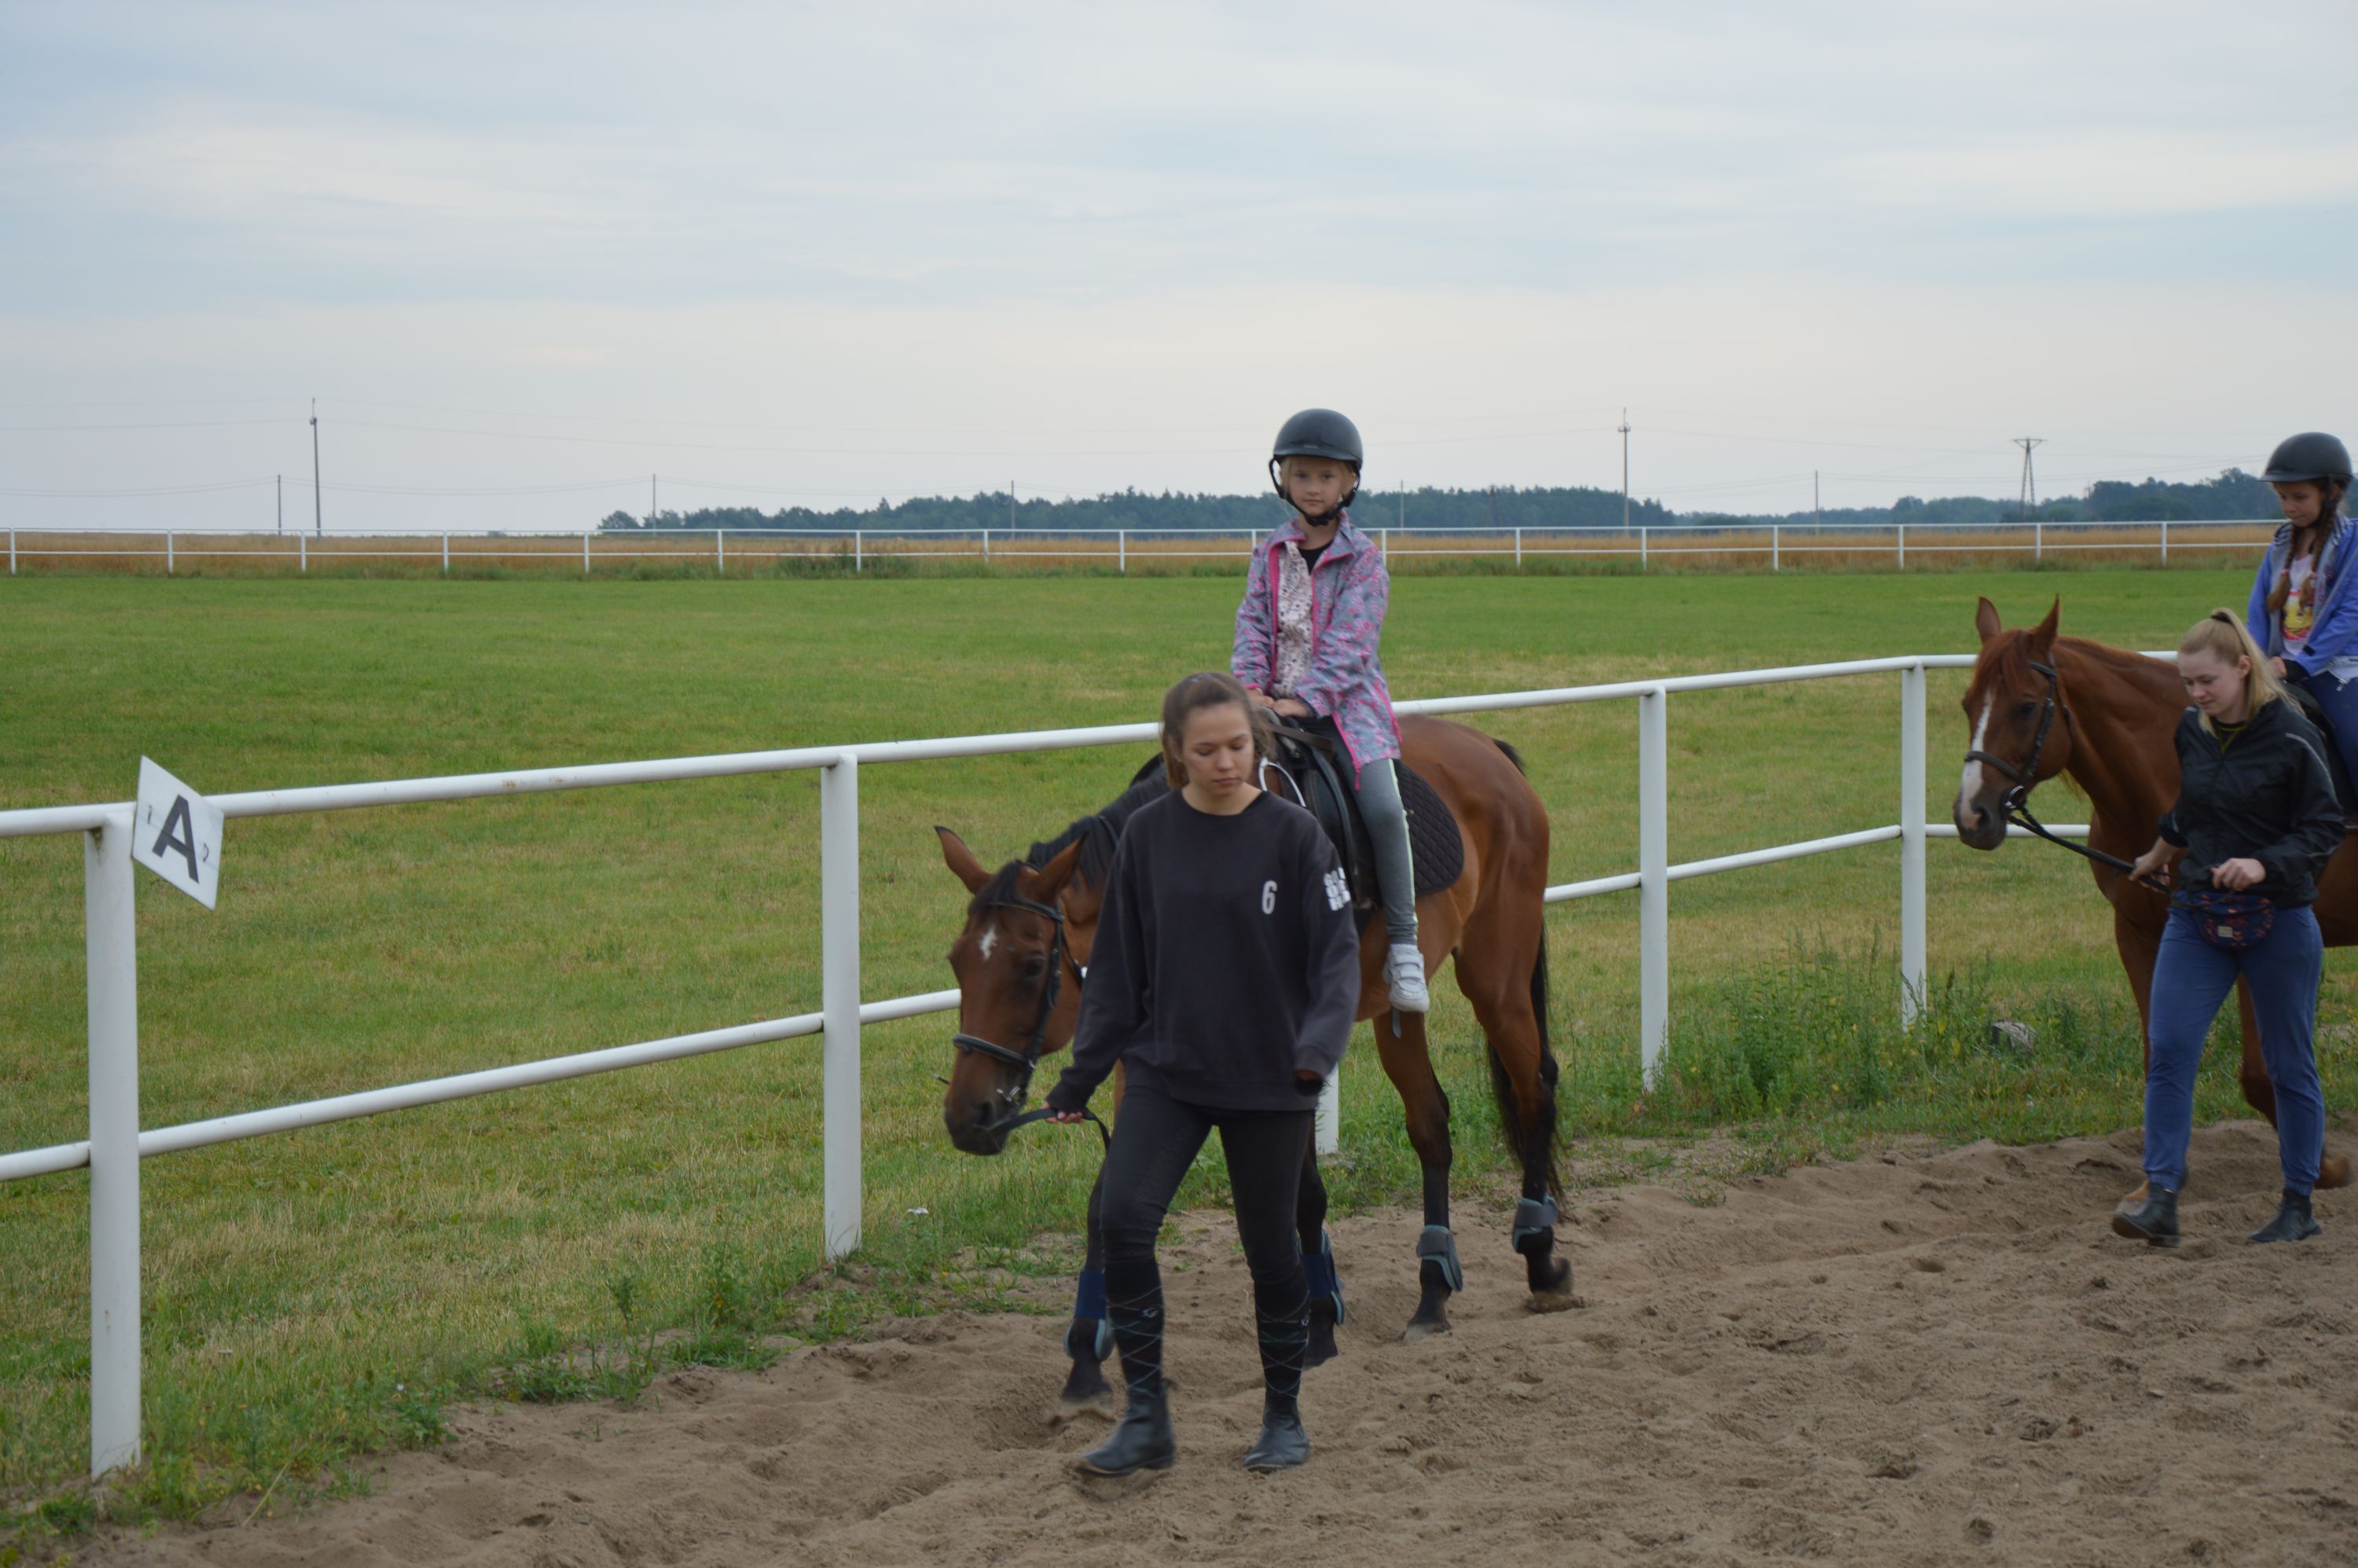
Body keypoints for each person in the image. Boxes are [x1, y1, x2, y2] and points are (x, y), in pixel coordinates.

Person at [1043, 671, 1359, 1476]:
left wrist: (1316, 1050)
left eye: (1239, 747)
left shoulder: (1296, 837)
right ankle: (1146, 1417)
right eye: (1208, 750)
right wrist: (1081, 1077)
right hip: (1168, 1070)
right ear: (1175, 752)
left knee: (1271, 1249)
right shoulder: (1147, 837)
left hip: (1272, 1079)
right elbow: (1117, 974)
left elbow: (1337, 962)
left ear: (1257, 744)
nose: (1226, 763)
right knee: (1123, 1219)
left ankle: (1282, 1414)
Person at [2121, 610, 2341, 1247]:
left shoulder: (2294, 735)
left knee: (2289, 1064)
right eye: (2187, 682)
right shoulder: (2193, 729)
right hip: (2197, 914)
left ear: (2244, 668)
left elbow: (2323, 827)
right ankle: (2161, 1196)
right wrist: (2158, 852)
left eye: (2207, 681)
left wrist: (2263, 864)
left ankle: (2298, 1203)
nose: (2196, 694)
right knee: (2169, 1047)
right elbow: (2192, 806)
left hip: (2281, 920)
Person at [1233, 407, 1427, 1012]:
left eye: (1325, 476)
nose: (1313, 487)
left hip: (1346, 709)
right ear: (1283, 479)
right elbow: (1252, 625)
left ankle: (1404, 945)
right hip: (1270, 704)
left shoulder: (1364, 560)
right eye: (1302, 475)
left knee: (1384, 809)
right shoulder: (1269, 554)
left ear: (1348, 482)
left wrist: (1306, 700)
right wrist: (1251, 688)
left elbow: (1352, 643)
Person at [2245, 431, 2358, 784]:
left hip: (2337, 670)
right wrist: (2253, 658)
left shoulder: (2353, 545)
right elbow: (2258, 613)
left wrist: (2302, 663)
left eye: (2300, 497)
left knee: (2355, 739)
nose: (2290, 506)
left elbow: (2350, 616)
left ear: (2332, 492)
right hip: (2278, 668)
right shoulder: (2280, 545)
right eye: (2283, 497)